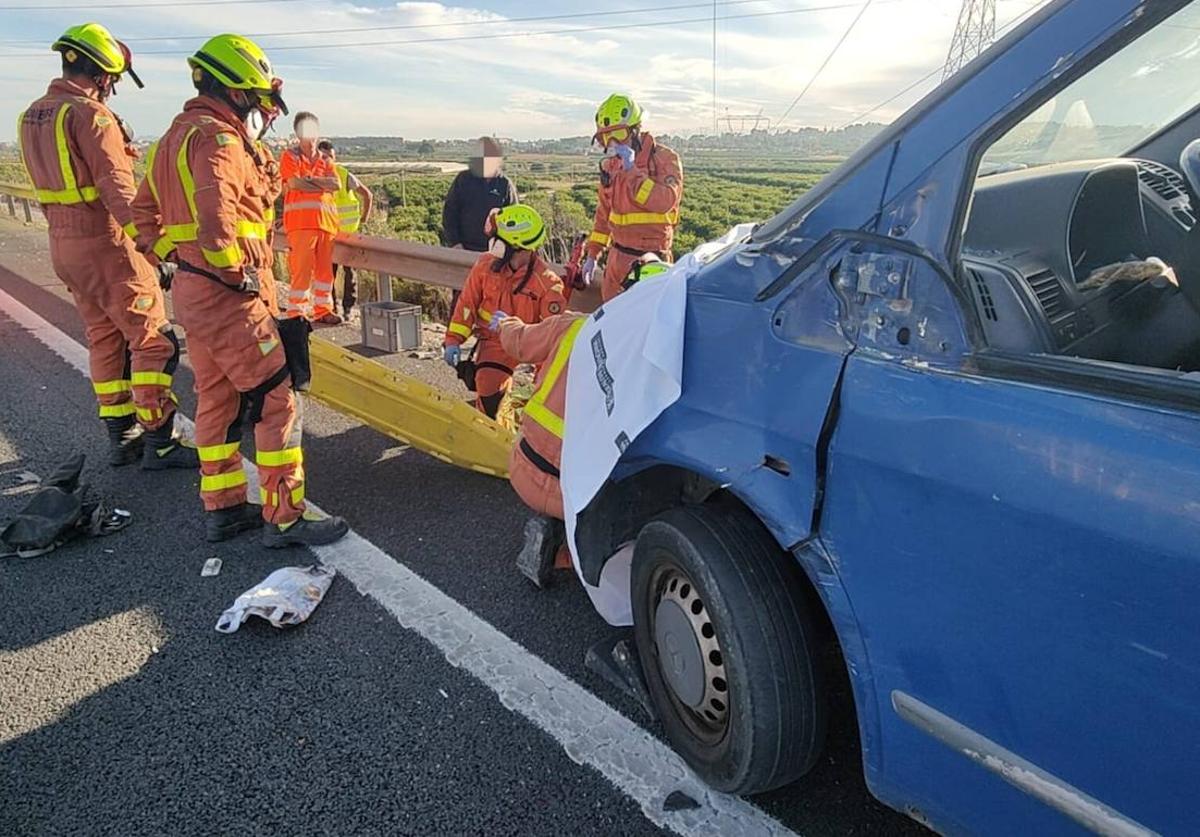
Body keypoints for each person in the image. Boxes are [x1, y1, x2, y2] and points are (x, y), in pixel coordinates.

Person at [131, 33, 348, 547]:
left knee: (217, 398)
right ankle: (285, 517)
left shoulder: (172, 139)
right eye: (258, 102)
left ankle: (224, 507)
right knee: (278, 400)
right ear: (236, 92)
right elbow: (217, 220)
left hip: (193, 292)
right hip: (231, 297)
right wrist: (235, 277)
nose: (262, 113)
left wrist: (172, 258)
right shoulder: (219, 141)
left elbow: (142, 216)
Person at [17, 22, 196, 471]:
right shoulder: (90, 116)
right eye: (111, 80)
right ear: (101, 75)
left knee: (104, 338)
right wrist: (153, 247)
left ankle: (121, 435)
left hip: (64, 245)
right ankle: (160, 439)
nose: (112, 89)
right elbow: (117, 189)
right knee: (155, 342)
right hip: (107, 245)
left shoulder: (33, 114)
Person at [494, 256, 671, 587]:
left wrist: (505, 324)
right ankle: (569, 554)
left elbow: (519, 342)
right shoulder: (657, 367)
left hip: (523, 466)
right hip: (578, 496)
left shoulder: (573, 326)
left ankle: (554, 530)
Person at [442, 204, 566, 420]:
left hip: (531, 344)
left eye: (498, 240)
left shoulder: (547, 285)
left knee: (543, 406)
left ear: (519, 247)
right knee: (490, 400)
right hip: (495, 343)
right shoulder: (485, 265)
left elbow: (551, 340)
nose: (492, 245)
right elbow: (467, 304)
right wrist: (453, 340)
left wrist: (543, 383)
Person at [583, 94, 684, 302]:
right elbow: (603, 216)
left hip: (652, 261)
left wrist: (632, 173)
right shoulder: (611, 166)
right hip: (616, 262)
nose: (612, 143)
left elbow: (665, 201)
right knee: (612, 323)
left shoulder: (665, 159)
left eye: (618, 134)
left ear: (636, 129)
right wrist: (593, 254)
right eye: (605, 137)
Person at [442, 137, 519, 317]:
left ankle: (487, 343)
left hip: (495, 256)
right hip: (465, 251)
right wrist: (455, 244)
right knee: (462, 301)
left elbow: (514, 220)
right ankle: (453, 341)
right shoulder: (463, 180)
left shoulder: (505, 184)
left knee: (493, 303)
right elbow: (449, 214)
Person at [280, 111, 342, 324]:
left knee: (325, 273)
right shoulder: (290, 156)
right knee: (302, 270)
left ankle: (323, 310)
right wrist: (320, 182)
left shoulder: (325, 159)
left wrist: (309, 180)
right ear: (298, 133)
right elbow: (295, 183)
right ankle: (297, 312)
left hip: (326, 224)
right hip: (300, 224)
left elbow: (336, 184)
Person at [317, 139, 372, 321]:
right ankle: (331, 308)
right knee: (328, 275)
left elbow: (367, 194)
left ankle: (348, 308)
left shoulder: (343, 174)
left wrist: (364, 218)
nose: (327, 161)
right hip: (328, 234)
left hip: (348, 235)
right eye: (324, 157)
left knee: (350, 274)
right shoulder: (314, 177)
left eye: (330, 157)